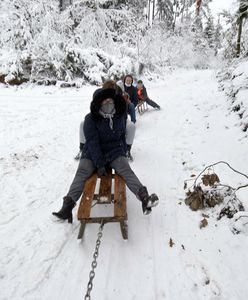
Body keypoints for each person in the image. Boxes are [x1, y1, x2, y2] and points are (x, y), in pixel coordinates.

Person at [53, 88, 159, 223]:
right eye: (105, 100)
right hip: (92, 153)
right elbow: (92, 142)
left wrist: (123, 151)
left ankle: (144, 198)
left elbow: (121, 135)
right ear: (98, 102)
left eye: (110, 99)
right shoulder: (90, 119)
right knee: (82, 172)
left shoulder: (119, 115)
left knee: (126, 170)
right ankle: (67, 206)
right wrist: (100, 164)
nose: (108, 102)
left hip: (114, 151)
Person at [75, 80, 136, 161]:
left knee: (131, 126)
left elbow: (123, 113)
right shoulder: (98, 95)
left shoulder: (119, 97)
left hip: (119, 119)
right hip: (102, 118)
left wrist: (120, 125)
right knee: (83, 123)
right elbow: (94, 110)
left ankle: (127, 150)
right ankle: (82, 148)